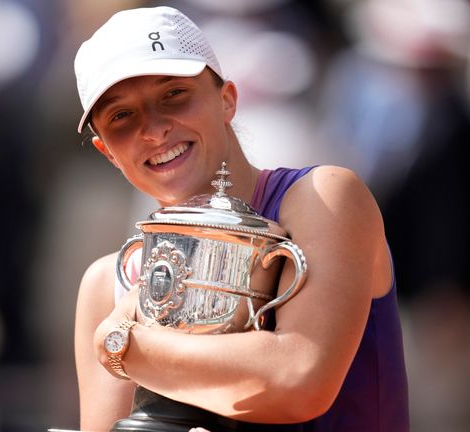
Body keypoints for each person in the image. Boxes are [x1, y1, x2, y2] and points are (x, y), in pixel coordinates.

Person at [73, 6, 409, 431]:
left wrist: (122, 342)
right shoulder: (108, 283)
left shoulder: (323, 197)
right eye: (122, 116)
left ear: (227, 99)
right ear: (108, 153)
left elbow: (298, 381)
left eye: (173, 95)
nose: (154, 130)